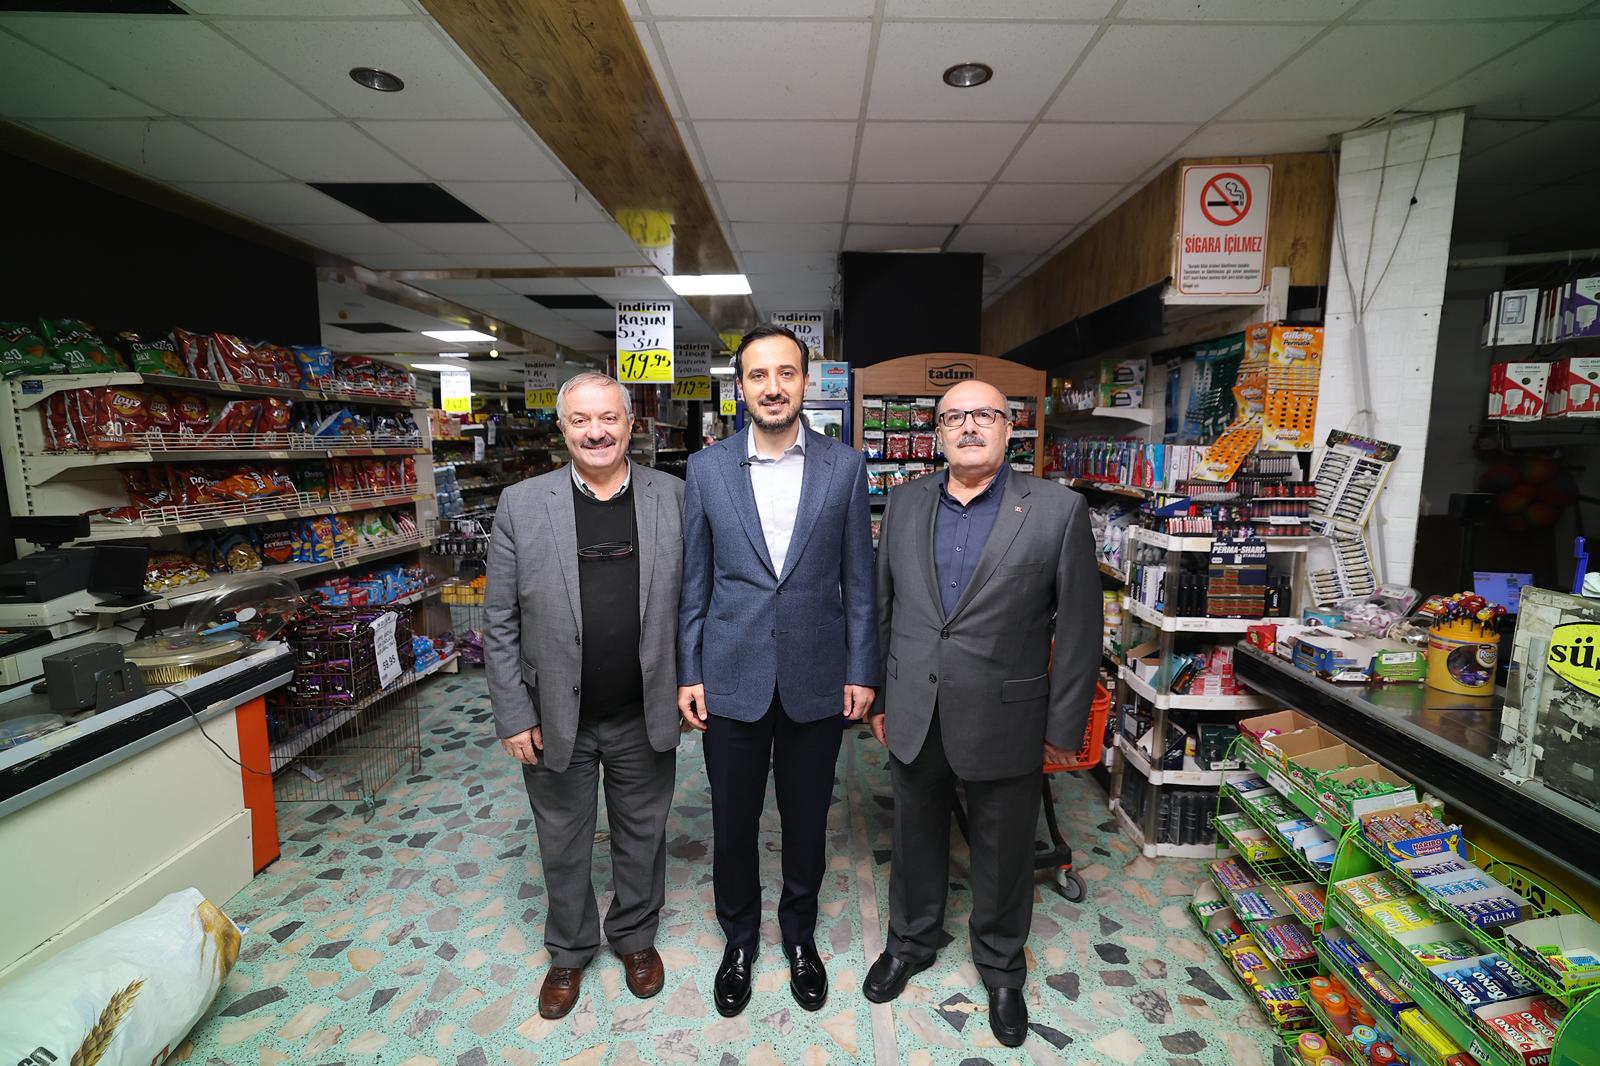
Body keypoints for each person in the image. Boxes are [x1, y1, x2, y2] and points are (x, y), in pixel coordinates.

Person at [862, 378, 1100, 1047]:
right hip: (917, 706)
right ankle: (910, 941)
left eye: (984, 415)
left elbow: (1080, 629)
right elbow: (883, 608)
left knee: (1003, 848)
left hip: (1007, 715)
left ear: (1009, 428)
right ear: (937, 433)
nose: (969, 426)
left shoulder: (1057, 510)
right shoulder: (905, 502)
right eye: (954, 417)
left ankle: (1000, 966)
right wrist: (880, 694)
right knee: (914, 833)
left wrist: (1063, 726)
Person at [678, 324, 878, 1018]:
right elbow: (695, 583)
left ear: (805, 383)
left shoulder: (844, 468)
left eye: (786, 373)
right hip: (729, 673)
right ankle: (738, 941)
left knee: (806, 820)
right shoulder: (706, 470)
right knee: (733, 821)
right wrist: (688, 670)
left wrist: (862, 669)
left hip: (816, 676)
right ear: (741, 387)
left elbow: (860, 582)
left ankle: (799, 936)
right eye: (759, 375)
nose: (773, 387)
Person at [484, 372, 685, 1021]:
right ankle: (569, 950)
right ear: (563, 428)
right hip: (552, 716)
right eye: (580, 420)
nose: (596, 432)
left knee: (642, 833)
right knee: (562, 839)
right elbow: (499, 620)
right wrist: (513, 713)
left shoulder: (673, 496)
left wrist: (691, 682)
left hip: (642, 709)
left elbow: (695, 603)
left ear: (630, 424)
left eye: (608, 418)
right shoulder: (521, 503)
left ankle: (635, 938)